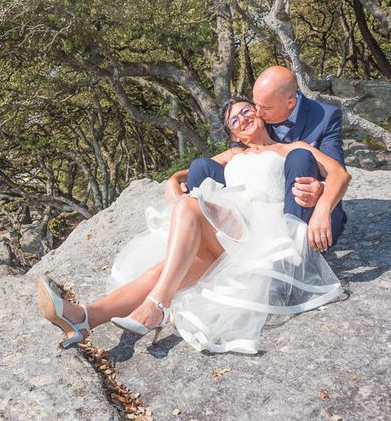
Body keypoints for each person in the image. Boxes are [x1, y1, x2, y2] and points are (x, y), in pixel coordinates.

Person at [38, 96, 351, 354]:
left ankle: (157, 305)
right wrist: (174, 179)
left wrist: (323, 206)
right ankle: (83, 317)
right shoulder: (232, 155)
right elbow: (188, 173)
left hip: (262, 233)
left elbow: (338, 173)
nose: (242, 119)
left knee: (187, 212)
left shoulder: (289, 149)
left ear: (260, 114)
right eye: (234, 121)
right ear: (233, 134)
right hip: (231, 232)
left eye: (246, 112)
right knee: (161, 271)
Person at [179, 66, 347, 248]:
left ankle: (295, 252)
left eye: (263, 108)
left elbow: (338, 172)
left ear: (290, 103)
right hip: (258, 208)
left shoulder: (325, 119)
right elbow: (234, 156)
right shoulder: (257, 117)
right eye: (254, 105)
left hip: (307, 204)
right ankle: (207, 245)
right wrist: (176, 178)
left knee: (300, 156)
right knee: (201, 165)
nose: (257, 112)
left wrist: (322, 200)